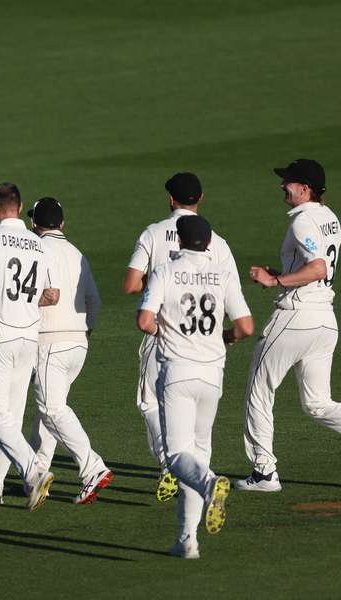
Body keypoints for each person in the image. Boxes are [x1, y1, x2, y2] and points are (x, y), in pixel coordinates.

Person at [237, 159, 341, 491]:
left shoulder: (303, 221)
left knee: (259, 390)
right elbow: (314, 267)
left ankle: (264, 471)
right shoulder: (330, 218)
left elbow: (317, 268)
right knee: (317, 403)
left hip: (296, 318)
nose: (283, 186)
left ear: (305, 188)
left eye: (288, 182)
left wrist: (276, 280)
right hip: (325, 321)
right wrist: (277, 273)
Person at [0, 197, 113, 506]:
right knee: (50, 410)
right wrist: (83, 331)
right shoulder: (77, 254)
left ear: (34, 223)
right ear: (62, 223)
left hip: (46, 341)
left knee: (45, 410)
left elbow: (42, 295)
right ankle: (26, 479)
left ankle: (90, 468)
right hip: (78, 343)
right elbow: (95, 302)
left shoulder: (36, 248)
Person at [137, 214, 254, 559]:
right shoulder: (223, 273)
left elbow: (145, 321)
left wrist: (167, 332)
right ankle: (188, 540)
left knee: (176, 456)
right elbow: (246, 326)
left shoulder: (166, 271)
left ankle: (209, 484)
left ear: (179, 241)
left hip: (178, 373)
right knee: (197, 453)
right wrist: (226, 337)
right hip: (212, 375)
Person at [122, 172, 238, 502]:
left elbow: (130, 285)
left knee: (150, 403)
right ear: (200, 198)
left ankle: (173, 467)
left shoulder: (154, 233)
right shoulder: (218, 241)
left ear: (171, 199)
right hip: (208, 342)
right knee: (201, 427)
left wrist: (162, 286)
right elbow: (232, 298)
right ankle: (197, 480)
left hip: (162, 335)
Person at [0, 183, 59, 512]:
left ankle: (34, 471)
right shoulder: (39, 244)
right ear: (19, 208)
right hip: (28, 337)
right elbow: (51, 295)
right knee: (8, 416)